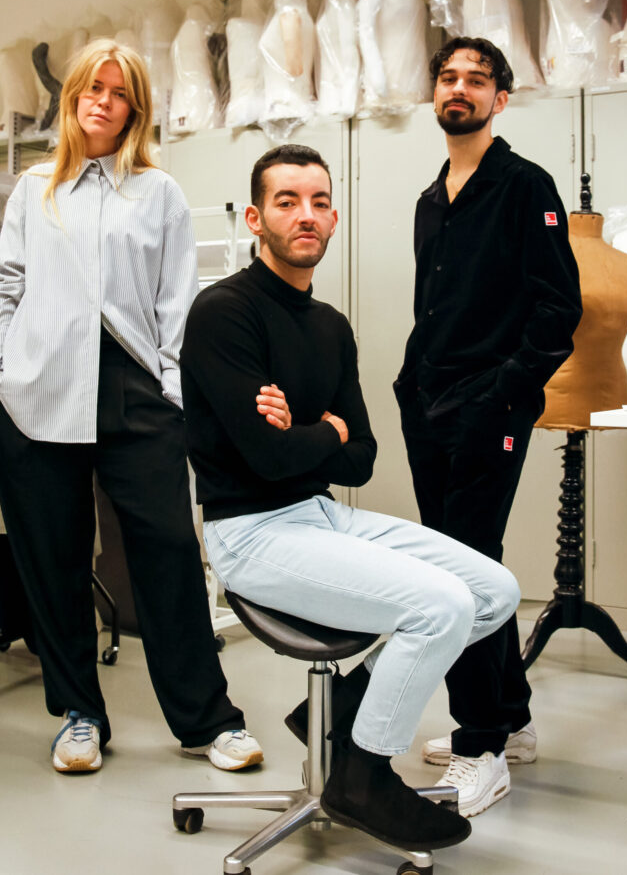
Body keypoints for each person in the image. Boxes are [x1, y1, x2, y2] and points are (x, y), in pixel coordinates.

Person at [180, 143, 522, 851]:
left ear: (334, 218)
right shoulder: (223, 314)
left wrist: (312, 433)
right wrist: (326, 430)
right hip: (250, 533)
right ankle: (362, 775)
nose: (305, 215)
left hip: (322, 515)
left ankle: (335, 711)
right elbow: (265, 459)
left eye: (318, 201)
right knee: (441, 606)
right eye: (286, 201)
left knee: (493, 589)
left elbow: (361, 459)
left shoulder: (330, 326)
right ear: (254, 217)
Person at [0, 39, 262, 775]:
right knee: (55, 559)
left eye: (116, 91)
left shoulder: (157, 192)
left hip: (136, 388)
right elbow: (7, 285)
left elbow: (177, 299)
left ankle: (208, 720)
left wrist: (173, 390)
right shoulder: (34, 188)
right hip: (38, 389)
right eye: (89, 88)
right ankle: (79, 715)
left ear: (134, 107)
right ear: (73, 96)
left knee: (167, 553)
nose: (100, 101)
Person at [393, 36, 582, 816]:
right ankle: (514, 719)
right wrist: (413, 383)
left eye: (477, 79)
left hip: (486, 409)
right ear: (434, 95)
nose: (459, 89)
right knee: (467, 566)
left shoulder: (523, 185)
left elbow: (558, 311)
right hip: (428, 405)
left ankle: (479, 745)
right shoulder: (432, 195)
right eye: (448, 77)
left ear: (501, 99)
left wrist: (500, 396)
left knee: (460, 577)